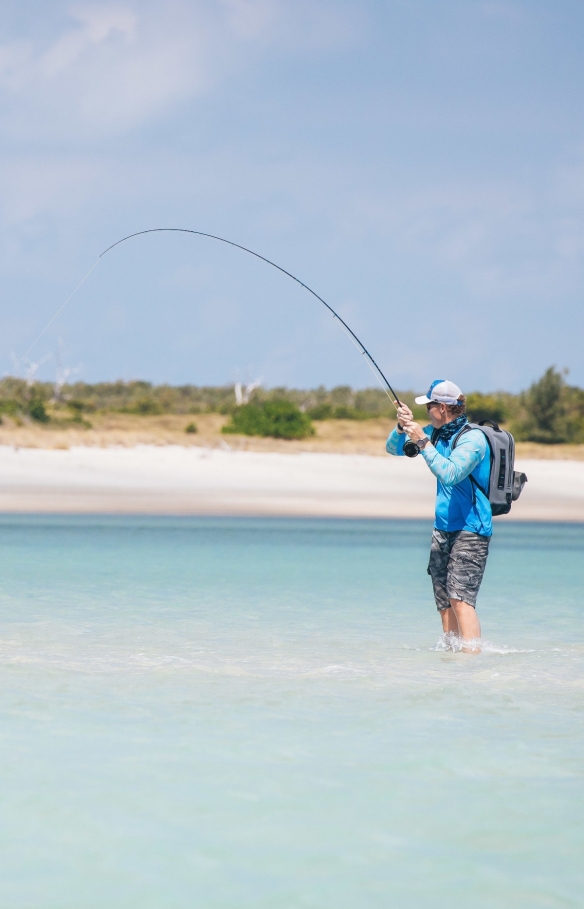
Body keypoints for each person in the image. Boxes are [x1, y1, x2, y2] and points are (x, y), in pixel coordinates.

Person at [386, 379, 492, 653]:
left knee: (461, 598)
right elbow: (393, 449)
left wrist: (422, 439)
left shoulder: (472, 439)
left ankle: (471, 657)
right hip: (442, 527)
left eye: (430, 405)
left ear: (443, 407)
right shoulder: (436, 434)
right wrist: (402, 428)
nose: (427, 411)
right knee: (444, 599)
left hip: (472, 527)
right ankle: (450, 656)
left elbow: (451, 473)